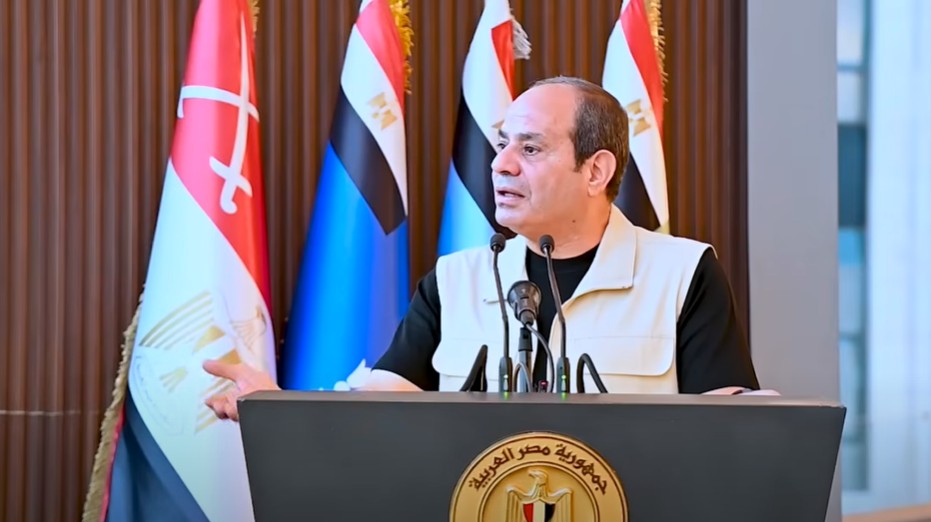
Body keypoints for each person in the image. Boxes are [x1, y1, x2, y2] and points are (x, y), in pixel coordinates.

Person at [203, 76, 762, 421]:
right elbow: (375, 410)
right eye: (501, 145)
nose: (501, 165)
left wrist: (770, 421)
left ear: (596, 171)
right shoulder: (455, 281)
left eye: (531, 148)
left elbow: (728, 427)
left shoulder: (683, 274)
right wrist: (276, 409)